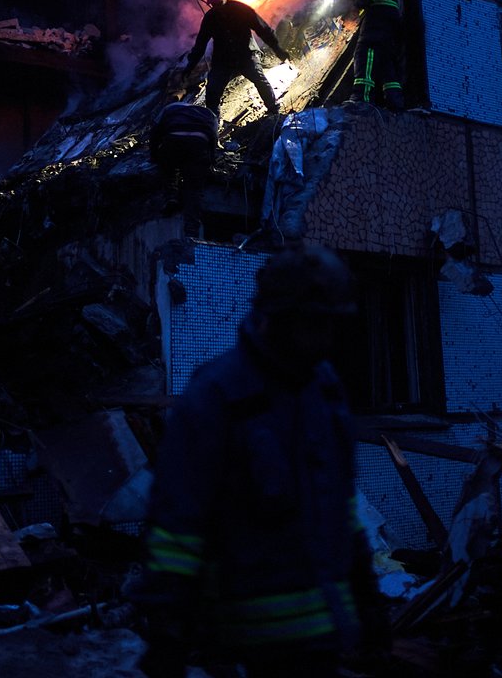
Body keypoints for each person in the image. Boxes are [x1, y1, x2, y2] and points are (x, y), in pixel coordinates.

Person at [133, 243, 388, 678]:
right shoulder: (216, 397)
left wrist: (366, 595)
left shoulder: (324, 391)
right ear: (276, 318)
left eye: (333, 326)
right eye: (313, 325)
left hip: (325, 644)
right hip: (246, 652)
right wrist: (167, 633)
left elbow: (339, 506)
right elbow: (176, 531)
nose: (325, 342)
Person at [183, 0, 289, 117]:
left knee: (260, 80)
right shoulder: (210, 17)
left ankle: (274, 111)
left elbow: (263, 29)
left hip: (245, 55)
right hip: (223, 60)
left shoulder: (240, 9)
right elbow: (200, 44)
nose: (215, 6)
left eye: (217, 2)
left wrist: (277, 49)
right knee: (212, 91)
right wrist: (190, 66)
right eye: (212, 3)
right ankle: (212, 124)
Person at [150, 98, 218, 238]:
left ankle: (171, 196)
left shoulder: (170, 108)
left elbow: (155, 133)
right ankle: (191, 231)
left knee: (169, 168)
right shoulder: (209, 114)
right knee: (194, 189)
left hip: (174, 139)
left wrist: (155, 155)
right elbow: (213, 139)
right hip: (199, 143)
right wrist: (211, 162)